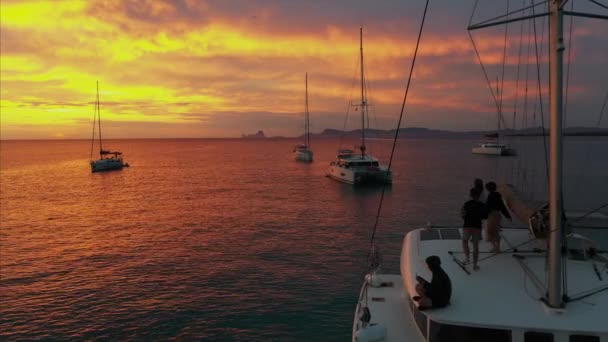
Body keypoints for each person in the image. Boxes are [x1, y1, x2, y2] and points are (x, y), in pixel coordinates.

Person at [461, 187, 487, 270]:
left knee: (465, 242)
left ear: (471, 195)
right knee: (476, 246)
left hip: (467, 226)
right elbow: (485, 216)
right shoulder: (482, 205)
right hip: (477, 227)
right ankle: (475, 265)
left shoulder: (466, 204)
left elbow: (462, 215)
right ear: (478, 196)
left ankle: (467, 259)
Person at [485, 181, 512, 253]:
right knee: (495, 232)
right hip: (497, 215)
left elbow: (487, 207)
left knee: (490, 232)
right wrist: (508, 216)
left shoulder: (491, 196)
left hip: (492, 215)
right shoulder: (497, 196)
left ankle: (496, 247)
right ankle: (497, 248)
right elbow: (502, 207)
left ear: (489, 189)